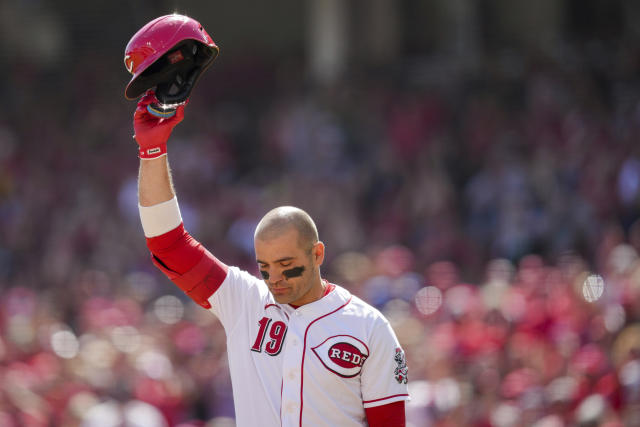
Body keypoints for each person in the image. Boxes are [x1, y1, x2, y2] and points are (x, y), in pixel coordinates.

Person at [133, 92, 410, 426]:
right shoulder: (245, 301)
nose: (274, 277)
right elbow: (169, 245)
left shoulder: (370, 327)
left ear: (317, 253)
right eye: (264, 267)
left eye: (286, 265)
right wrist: (152, 150)